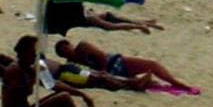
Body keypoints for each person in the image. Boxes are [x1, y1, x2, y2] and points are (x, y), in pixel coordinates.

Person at [0, 35, 91, 107]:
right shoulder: (14, 70)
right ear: (25, 52)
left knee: (63, 96)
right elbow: (15, 92)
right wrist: (33, 77)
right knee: (63, 98)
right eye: (34, 52)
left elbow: (52, 84)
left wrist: (80, 94)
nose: (36, 55)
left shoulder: (32, 68)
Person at [53, 38, 191, 90]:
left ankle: (175, 82)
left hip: (114, 62)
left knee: (152, 64)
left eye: (67, 48)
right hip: (108, 73)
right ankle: (140, 83)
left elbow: (102, 57)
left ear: (70, 45)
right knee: (130, 82)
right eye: (64, 52)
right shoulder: (71, 64)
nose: (67, 52)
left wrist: (104, 71)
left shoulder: (83, 47)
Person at [40, 0, 164, 35]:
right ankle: (142, 23)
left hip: (75, 18)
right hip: (77, 17)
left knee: (109, 24)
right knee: (108, 17)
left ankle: (139, 24)